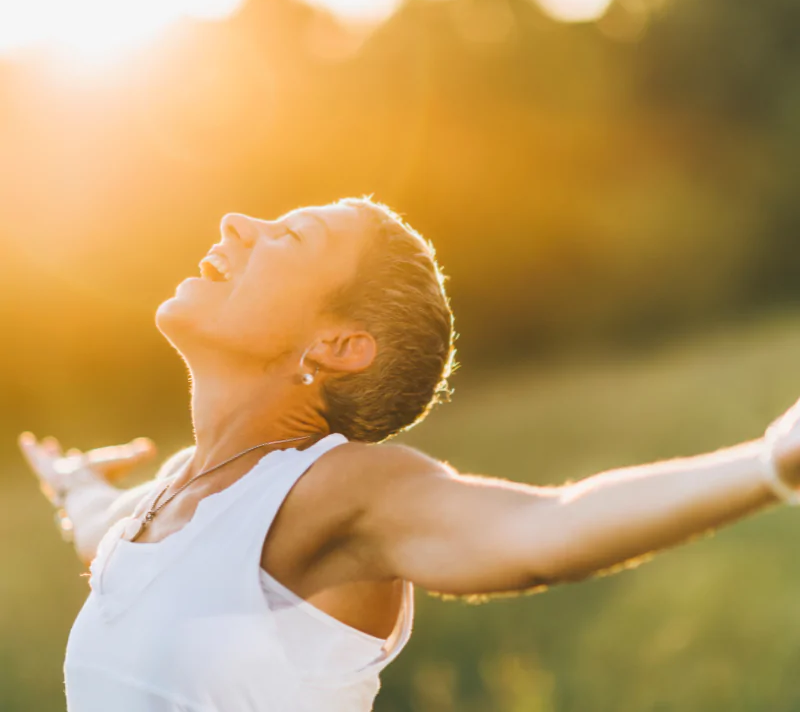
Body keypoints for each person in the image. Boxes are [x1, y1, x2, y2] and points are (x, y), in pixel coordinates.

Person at [20, 197, 800, 712]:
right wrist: (73, 485)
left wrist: (773, 463)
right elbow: (104, 534)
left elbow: (544, 532)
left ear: (338, 345)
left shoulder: (336, 491)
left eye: (286, 236)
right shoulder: (170, 498)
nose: (234, 224)